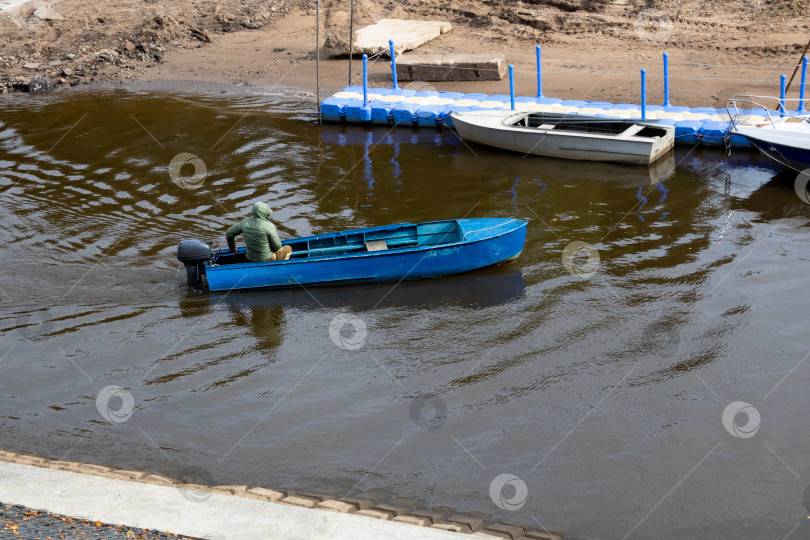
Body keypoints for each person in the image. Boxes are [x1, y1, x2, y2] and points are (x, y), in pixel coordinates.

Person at [226, 202, 292, 262]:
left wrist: (233, 248)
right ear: (265, 213)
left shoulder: (245, 222)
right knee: (288, 248)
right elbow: (277, 247)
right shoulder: (269, 226)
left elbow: (229, 233)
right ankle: (278, 266)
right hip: (267, 259)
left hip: (249, 258)